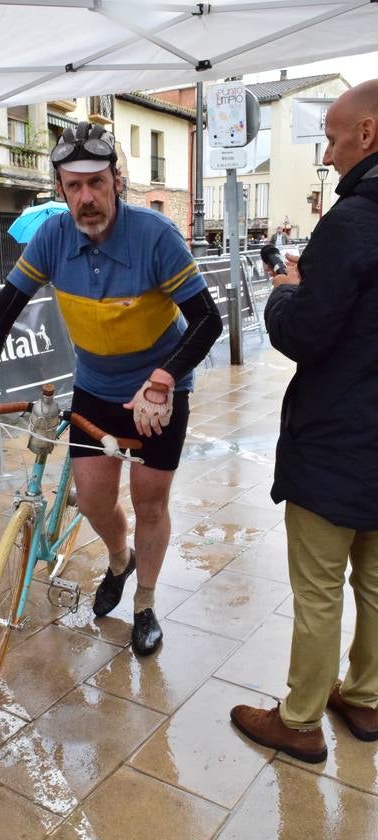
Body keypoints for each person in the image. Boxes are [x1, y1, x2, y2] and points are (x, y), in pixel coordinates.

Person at [0, 122, 222, 655]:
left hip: (157, 390)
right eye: (74, 187)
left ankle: (145, 602)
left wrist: (165, 378)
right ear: (60, 190)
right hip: (96, 387)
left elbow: (207, 321)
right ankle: (118, 560)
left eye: (96, 183)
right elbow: (3, 312)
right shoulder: (52, 237)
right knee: (97, 502)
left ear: (115, 182)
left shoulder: (156, 235)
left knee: (151, 502)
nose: (86, 197)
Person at [230, 79, 378, 762]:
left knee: (319, 586)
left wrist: (285, 294)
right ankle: (368, 698)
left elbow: (307, 334)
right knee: (375, 581)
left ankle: (298, 719)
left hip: (339, 438)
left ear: (368, 134)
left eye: (333, 135)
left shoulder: (352, 220)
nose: (328, 149)